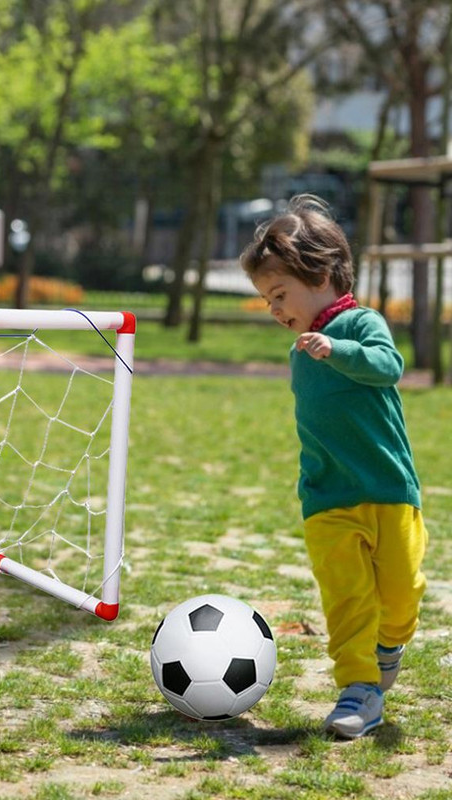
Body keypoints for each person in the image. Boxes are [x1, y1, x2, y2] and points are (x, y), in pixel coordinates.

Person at [239, 194, 427, 739]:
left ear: (320, 273)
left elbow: (388, 367)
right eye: (267, 300)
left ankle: (390, 644)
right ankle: (359, 689)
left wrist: (337, 350)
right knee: (347, 599)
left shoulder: (361, 324)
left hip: (389, 488)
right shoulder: (301, 347)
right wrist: (316, 348)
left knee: (401, 595)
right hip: (327, 498)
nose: (275, 309)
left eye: (280, 294)